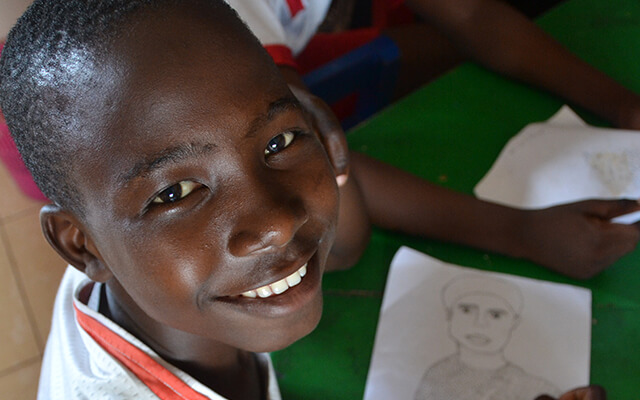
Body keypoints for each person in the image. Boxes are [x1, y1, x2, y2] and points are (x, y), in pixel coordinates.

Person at [0, 0, 624, 398]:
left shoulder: (143, 270)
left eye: (279, 141)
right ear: (82, 245)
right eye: (176, 192)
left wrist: (323, 157)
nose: (276, 222)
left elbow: (344, 248)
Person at [224, 0, 640, 180]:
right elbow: (307, 155)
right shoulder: (224, 20)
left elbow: (472, 15)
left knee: (455, 47)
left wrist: (623, 106)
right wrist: (519, 232)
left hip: (287, 52)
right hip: (243, 80)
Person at [414, 275, 559, 400]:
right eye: (467, 310)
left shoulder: (532, 388)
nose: (479, 323)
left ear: (514, 323)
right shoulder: (437, 375)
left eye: (495, 315)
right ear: (449, 314)